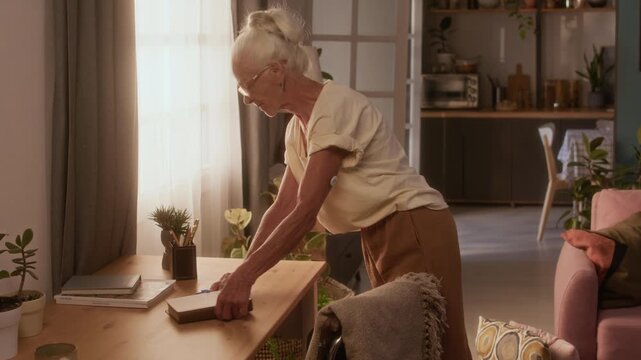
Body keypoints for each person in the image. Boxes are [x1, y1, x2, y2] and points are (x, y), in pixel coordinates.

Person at [210, 7, 472, 360]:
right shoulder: (298, 129)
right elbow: (282, 207)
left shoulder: (333, 109)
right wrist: (242, 273)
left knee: (440, 349)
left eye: (247, 85)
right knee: (406, 347)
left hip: (414, 226)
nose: (246, 98)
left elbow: (304, 212)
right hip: (379, 233)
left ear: (276, 71)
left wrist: (246, 277)